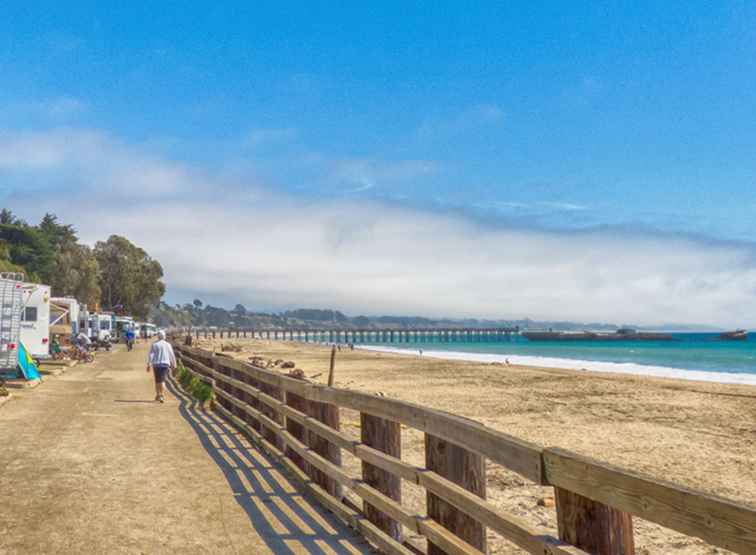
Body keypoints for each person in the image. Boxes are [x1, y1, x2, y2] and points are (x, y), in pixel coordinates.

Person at [147, 330, 176, 403]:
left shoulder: (155, 344)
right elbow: (171, 355)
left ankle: (158, 394)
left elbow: (151, 355)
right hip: (165, 364)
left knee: (157, 380)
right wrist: (174, 365)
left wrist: (149, 364)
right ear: (164, 336)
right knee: (162, 380)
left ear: (158, 336)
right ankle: (161, 395)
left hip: (156, 364)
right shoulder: (167, 344)